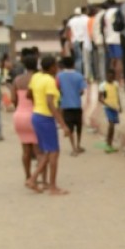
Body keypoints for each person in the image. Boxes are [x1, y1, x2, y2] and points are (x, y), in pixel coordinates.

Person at [27, 55, 71, 196]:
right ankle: (52, 187)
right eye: (56, 66)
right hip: (46, 118)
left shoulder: (36, 77)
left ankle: (33, 179)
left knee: (47, 151)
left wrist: (37, 105)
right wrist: (63, 124)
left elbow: (29, 94)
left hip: (36, 116)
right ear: (52, 67)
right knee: (54, 152)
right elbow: (51, 104)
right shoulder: (50, 81)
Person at [11, 54, 40, 183]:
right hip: (34, 115)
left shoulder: (17, 80)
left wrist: (20, 107)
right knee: (39, 151)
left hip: (19, 115)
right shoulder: (38, 78)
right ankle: (37, 177)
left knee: (25, 150)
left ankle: (27, 176)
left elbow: (13, 99)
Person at [57, 56, 87, 155]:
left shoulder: (59, 76)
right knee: (78, 126)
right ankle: (78, 145)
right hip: (77, 104)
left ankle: (73, 147)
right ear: (73, 64)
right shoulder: (79, 75)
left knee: (70, 128)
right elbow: (82, 91)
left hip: (65, 105)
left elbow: (57, 88)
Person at [103, 0, 123, 87]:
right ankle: (118, 80)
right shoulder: (117, 11)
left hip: (109, 38)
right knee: (119, 60)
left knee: (112, 60)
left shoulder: (106, 13)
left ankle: (111, 79)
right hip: (117, 39)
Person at [100, 69, 121, 153]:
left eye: (112, 77)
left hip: (115, 107)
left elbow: (117, 95)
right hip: (108, 108)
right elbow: (100, 98)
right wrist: (107, 104)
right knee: (111, 125)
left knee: (113, 127)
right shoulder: (102, 85)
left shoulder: (116, 84)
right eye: (109, 77)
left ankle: (110, 144)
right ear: (106, 76)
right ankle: (108, 145)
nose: (110, 78)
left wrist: (120, 106)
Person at [67, 7, 89, 76]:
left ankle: (78, 74)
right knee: (86, 59)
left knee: (78, 58)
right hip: (85, 41)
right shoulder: (86, 19)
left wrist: (70, 42)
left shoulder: (71, 21)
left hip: (75, 40)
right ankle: (86, 73)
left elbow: (68, 32)